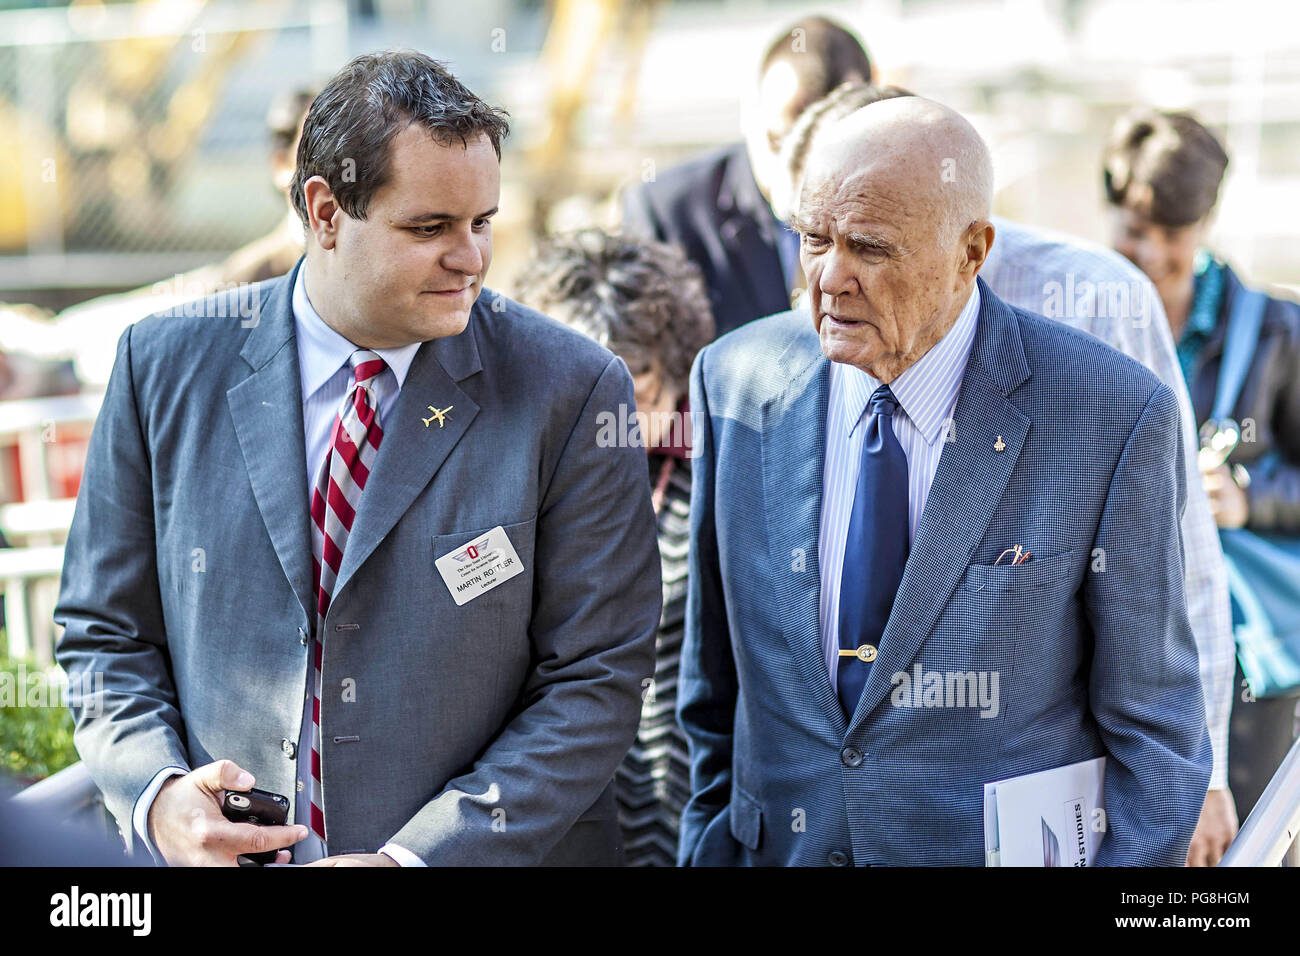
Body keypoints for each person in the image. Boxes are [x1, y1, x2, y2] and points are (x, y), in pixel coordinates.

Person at [53, 50, 661, 867]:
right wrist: (157, 797)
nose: (472, 258)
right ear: (326, 211)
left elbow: (597, 679)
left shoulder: (572, 390)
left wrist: (416, 859)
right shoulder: (161, 367)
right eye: (430, 228)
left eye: (482, 222)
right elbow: (102, 635)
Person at [679, 96, 1211, 866]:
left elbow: (1159, 732)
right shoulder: (732, 380)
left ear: (973, 250)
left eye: (869, 247)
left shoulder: (1110, 416)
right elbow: (712, 694)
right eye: (813, 239)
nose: (830, 278)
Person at [1104, 108, 1300, 824]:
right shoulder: (1083, 321)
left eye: (1172, 233)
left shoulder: (1278, 331)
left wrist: (1249, 499)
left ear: (1207, 220)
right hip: (1127, 641)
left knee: (1243, 841)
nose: (1151, 252)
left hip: (1247, 663)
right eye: (1133, 228)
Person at [513, 229, 715, 866]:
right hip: (562, 776)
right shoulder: (531, 465)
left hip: (687, 772)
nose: (617, 418)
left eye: (642, 393)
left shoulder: (715, 460)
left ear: (676, 367)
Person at [621, 15, 872, 337]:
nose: (795, 169)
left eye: (824, 152)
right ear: (749, 112)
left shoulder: (897, 207)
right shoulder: (667, 212)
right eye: (779, 141)